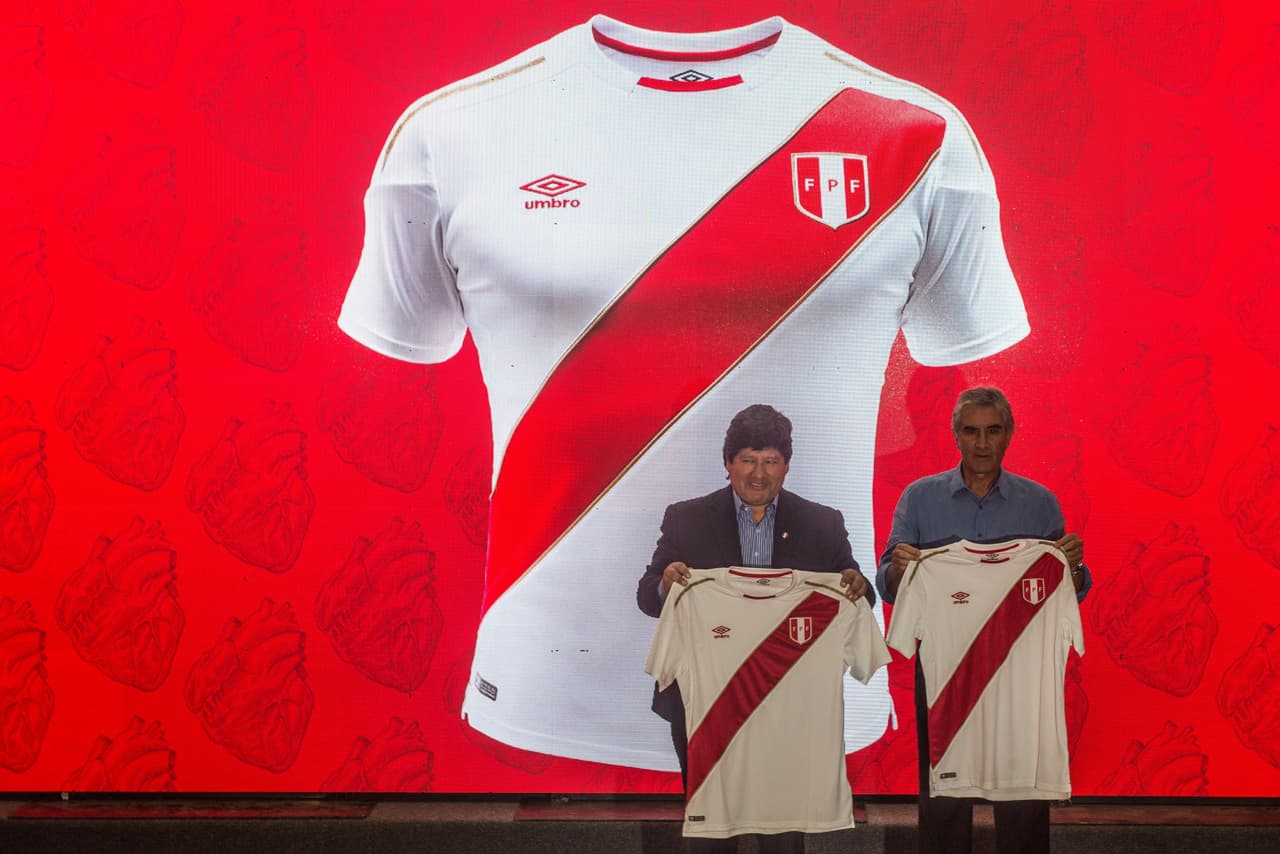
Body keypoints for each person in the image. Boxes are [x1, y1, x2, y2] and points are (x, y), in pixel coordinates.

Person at [637, 403, 872, 854]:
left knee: (782, 834)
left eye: (770, 461)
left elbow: (857, 589)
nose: (759, 474)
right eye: (748, 459)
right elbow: (648, 596)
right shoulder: (686, 518)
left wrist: (858, 587)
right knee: (711, 835)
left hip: (786, 706)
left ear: (787, 464)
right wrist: (667, 584)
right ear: (728, 463)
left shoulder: (821, 523)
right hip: (706, 708)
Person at [876, 386, 1091, 854]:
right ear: (956, 434)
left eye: (993, 431)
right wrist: (898, 569)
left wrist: (1071, 563)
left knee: (1022, 795)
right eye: (971, 431)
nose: (981, 442)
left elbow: (1069, 588)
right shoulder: (919, 498)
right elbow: (888, 585)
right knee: (943, 796)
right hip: (946, 671)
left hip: (1019, 674)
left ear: (1009, 434)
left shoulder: (1040, 503)